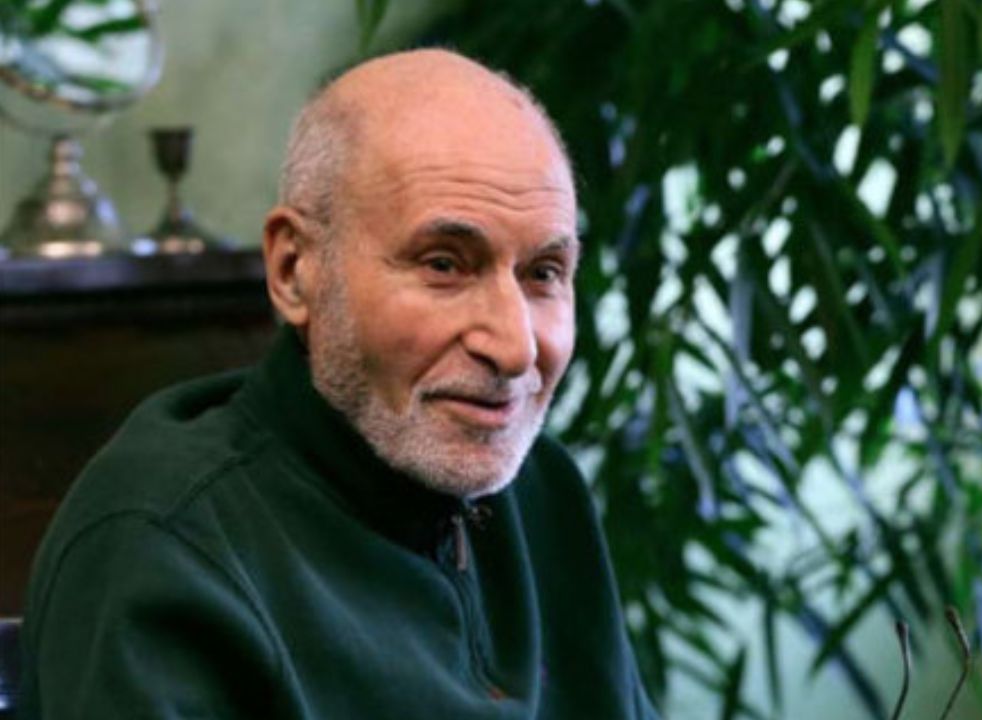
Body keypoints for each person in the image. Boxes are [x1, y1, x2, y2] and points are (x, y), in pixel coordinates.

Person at [19, 49, 660, 719]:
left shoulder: (543, 492)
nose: (515, 346)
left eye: (544, 273)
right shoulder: (165, 543)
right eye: (444, 265)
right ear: (295, 270)